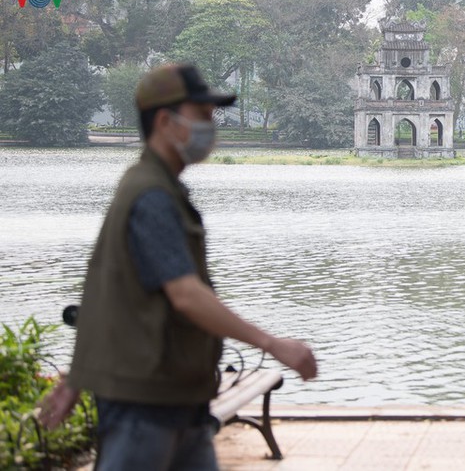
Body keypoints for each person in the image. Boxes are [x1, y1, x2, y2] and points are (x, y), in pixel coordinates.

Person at [38, 64, 317, 470]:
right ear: (167, 122)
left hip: (178, 400)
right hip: (146, 406)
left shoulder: (157, 187)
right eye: (202, 115)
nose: (211, 126)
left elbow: (106, 294)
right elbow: (185, 295)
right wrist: (274, 345)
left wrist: (77, 376)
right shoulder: (151, 196)